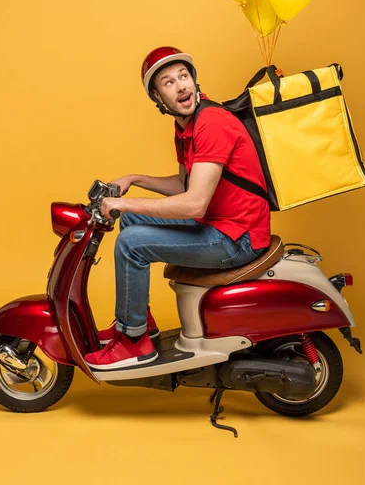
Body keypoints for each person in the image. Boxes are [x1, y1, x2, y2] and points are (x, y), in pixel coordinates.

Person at [84, 46, 271, 370]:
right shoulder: (186, 126)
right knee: (129, 223)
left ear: (194, 80)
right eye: (169, 82)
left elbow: (194, 203)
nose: (181, 86)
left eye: (183, 76)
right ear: (158, 97)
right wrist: (135, 178)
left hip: (237, 238)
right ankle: (141, 323)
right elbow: (186, 184)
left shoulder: (211, 122)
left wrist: (121, 202)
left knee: (130, 243)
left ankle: (133, 342)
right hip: (217, 224)